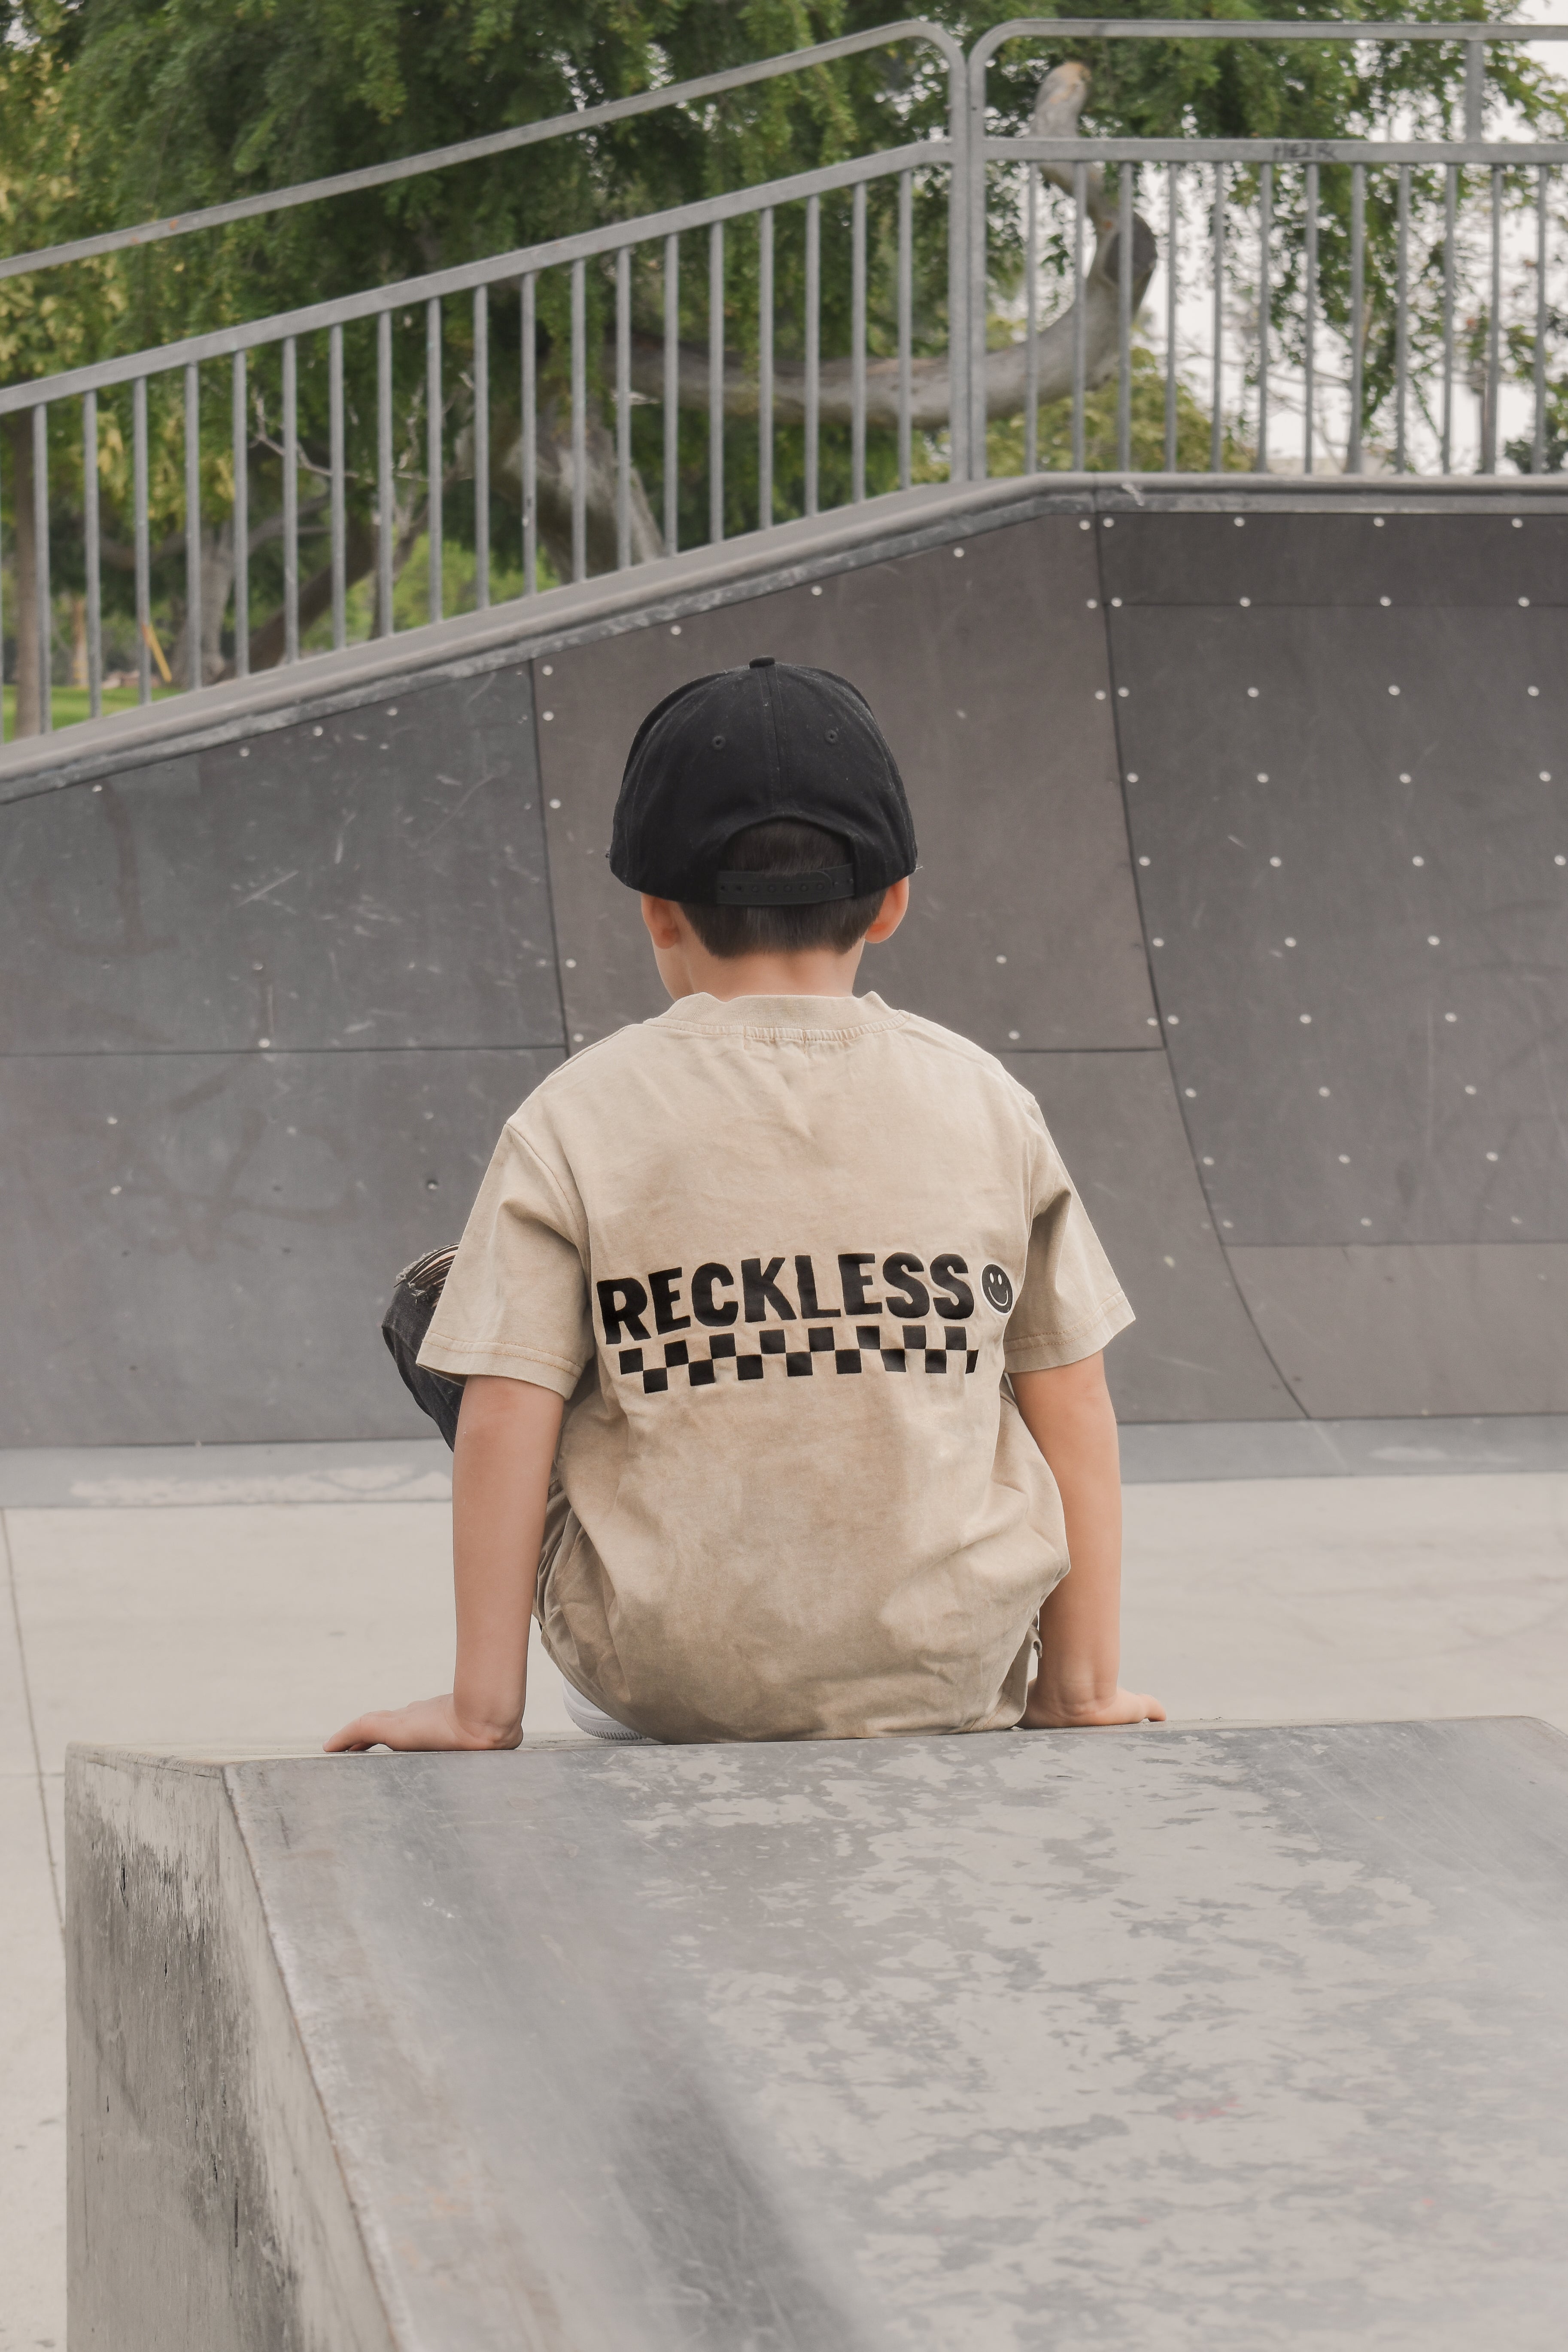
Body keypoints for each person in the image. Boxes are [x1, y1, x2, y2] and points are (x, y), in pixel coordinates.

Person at [327, 657, 1163, 1753]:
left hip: (662, 1674)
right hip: (948, 1666)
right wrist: (1079, 1688)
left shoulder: (575, 1114)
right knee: (1011, 1349)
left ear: (657, 914)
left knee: (446, 1311)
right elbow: (1075, 1404)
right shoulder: (986, 1100)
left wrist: (480, 1710)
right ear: (894, 902)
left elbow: (502, 1416)